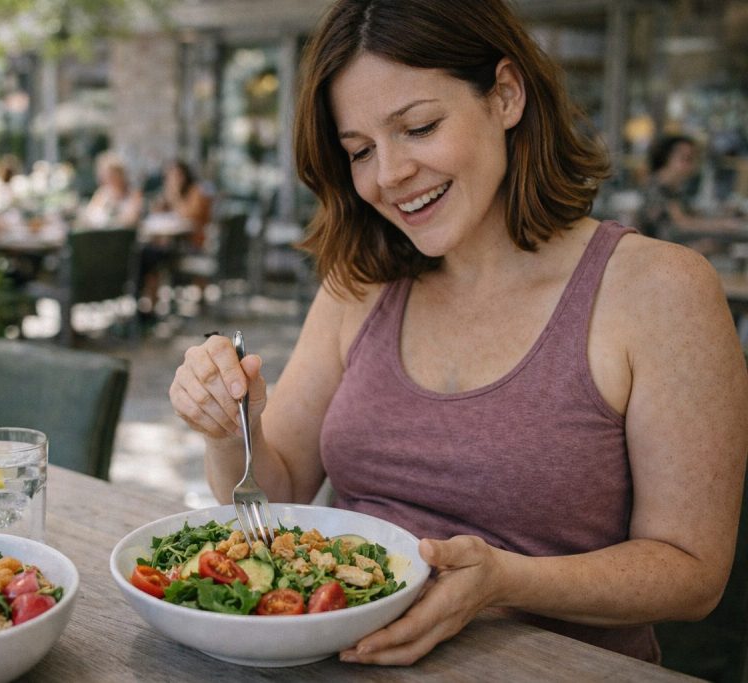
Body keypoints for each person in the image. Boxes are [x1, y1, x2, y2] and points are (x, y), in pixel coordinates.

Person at [169, 0, 747, 667]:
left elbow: (693, 571)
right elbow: (281, 494)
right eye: (359, 150)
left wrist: (504, 580)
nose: (388, 175)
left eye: (418, 126)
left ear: (505, 94)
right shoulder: (360, 281)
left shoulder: (659, 290)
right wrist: (226, 426)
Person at [638, 134, 743, 247]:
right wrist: (722, 224)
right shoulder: (657, 187)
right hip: (664, 251)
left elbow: (689, 215)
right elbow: (682, 223)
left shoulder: (674, 188)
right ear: (666, 158)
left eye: (693, 159)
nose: (692, 166)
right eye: (685, 159)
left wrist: (724, 216)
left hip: (672, 246)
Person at [152, 160, 214, 250]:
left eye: (177, 176)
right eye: (170, 177)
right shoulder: (172, 192)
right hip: (177, 241)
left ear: (185, 176)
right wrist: (161, 203)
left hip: (194, 242)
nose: (174, 180)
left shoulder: (196, 191)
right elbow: (156, 212)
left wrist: (175, 198)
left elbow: (190, 216)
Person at [75, 152, 144, 230]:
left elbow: (131, 219)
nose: (108, 178)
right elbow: (88, 216)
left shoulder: (133, 193)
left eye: (111, 175)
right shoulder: (101, 194)